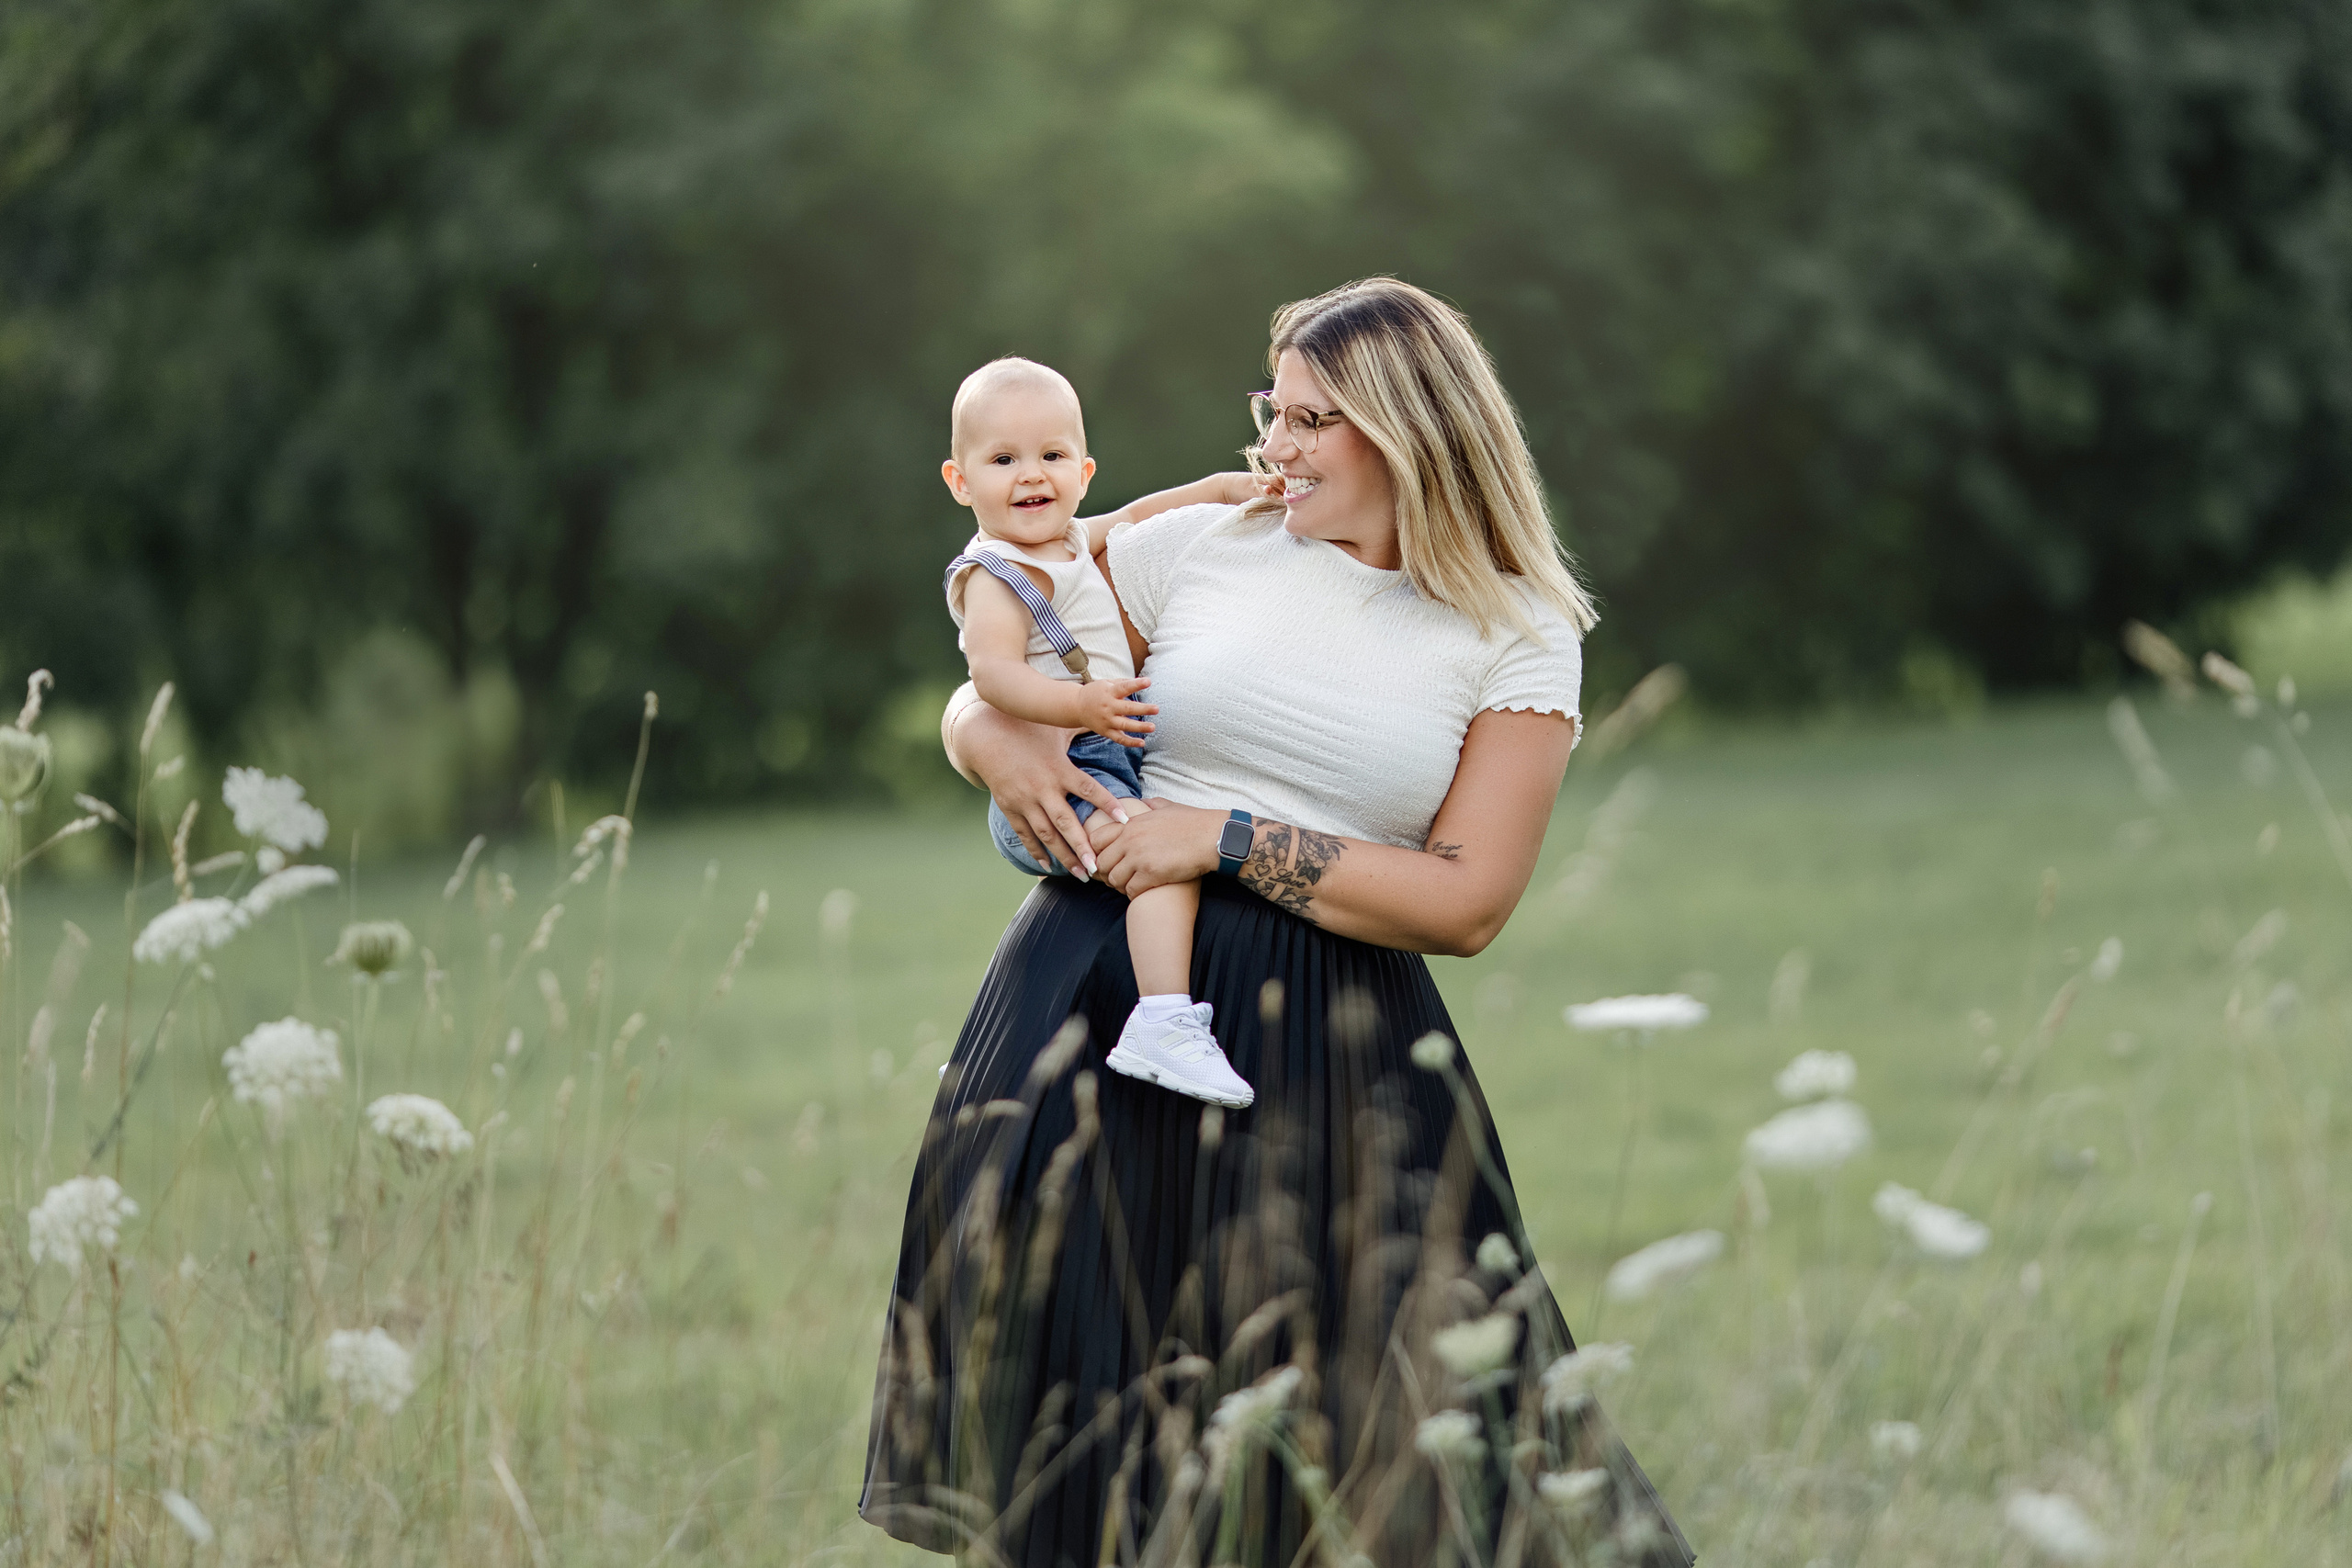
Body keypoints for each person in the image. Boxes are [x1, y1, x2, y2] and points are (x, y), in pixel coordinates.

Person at [865, 278, 1693, 1567]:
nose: (1275, 445)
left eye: (1311, 419)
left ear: (1406, 429)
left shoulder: (1516, 627)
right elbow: (1005, 628)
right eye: (1277, 409)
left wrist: (1230, 835)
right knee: (1101, 1461)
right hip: (1093, 1010)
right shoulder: (1202, 547)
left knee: (1429, 1454)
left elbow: (1470, 898)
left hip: (1330, 1051)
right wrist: (979, 737)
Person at [940, 356, 1258, 1108]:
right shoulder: (996, 574)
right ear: (961, 482)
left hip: (1103, 753)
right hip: (1064, 768)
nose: (1031, 475)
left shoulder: (1070, 542)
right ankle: (1163, 1020)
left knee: (1167, 844)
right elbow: (991, 674)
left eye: (1051, 456)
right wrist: (1078, 707)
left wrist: (1219, 491)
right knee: (1160, 854)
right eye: (1004, 459)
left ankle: (1147, 1009)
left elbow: (1140, 516)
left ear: (1082, 471)